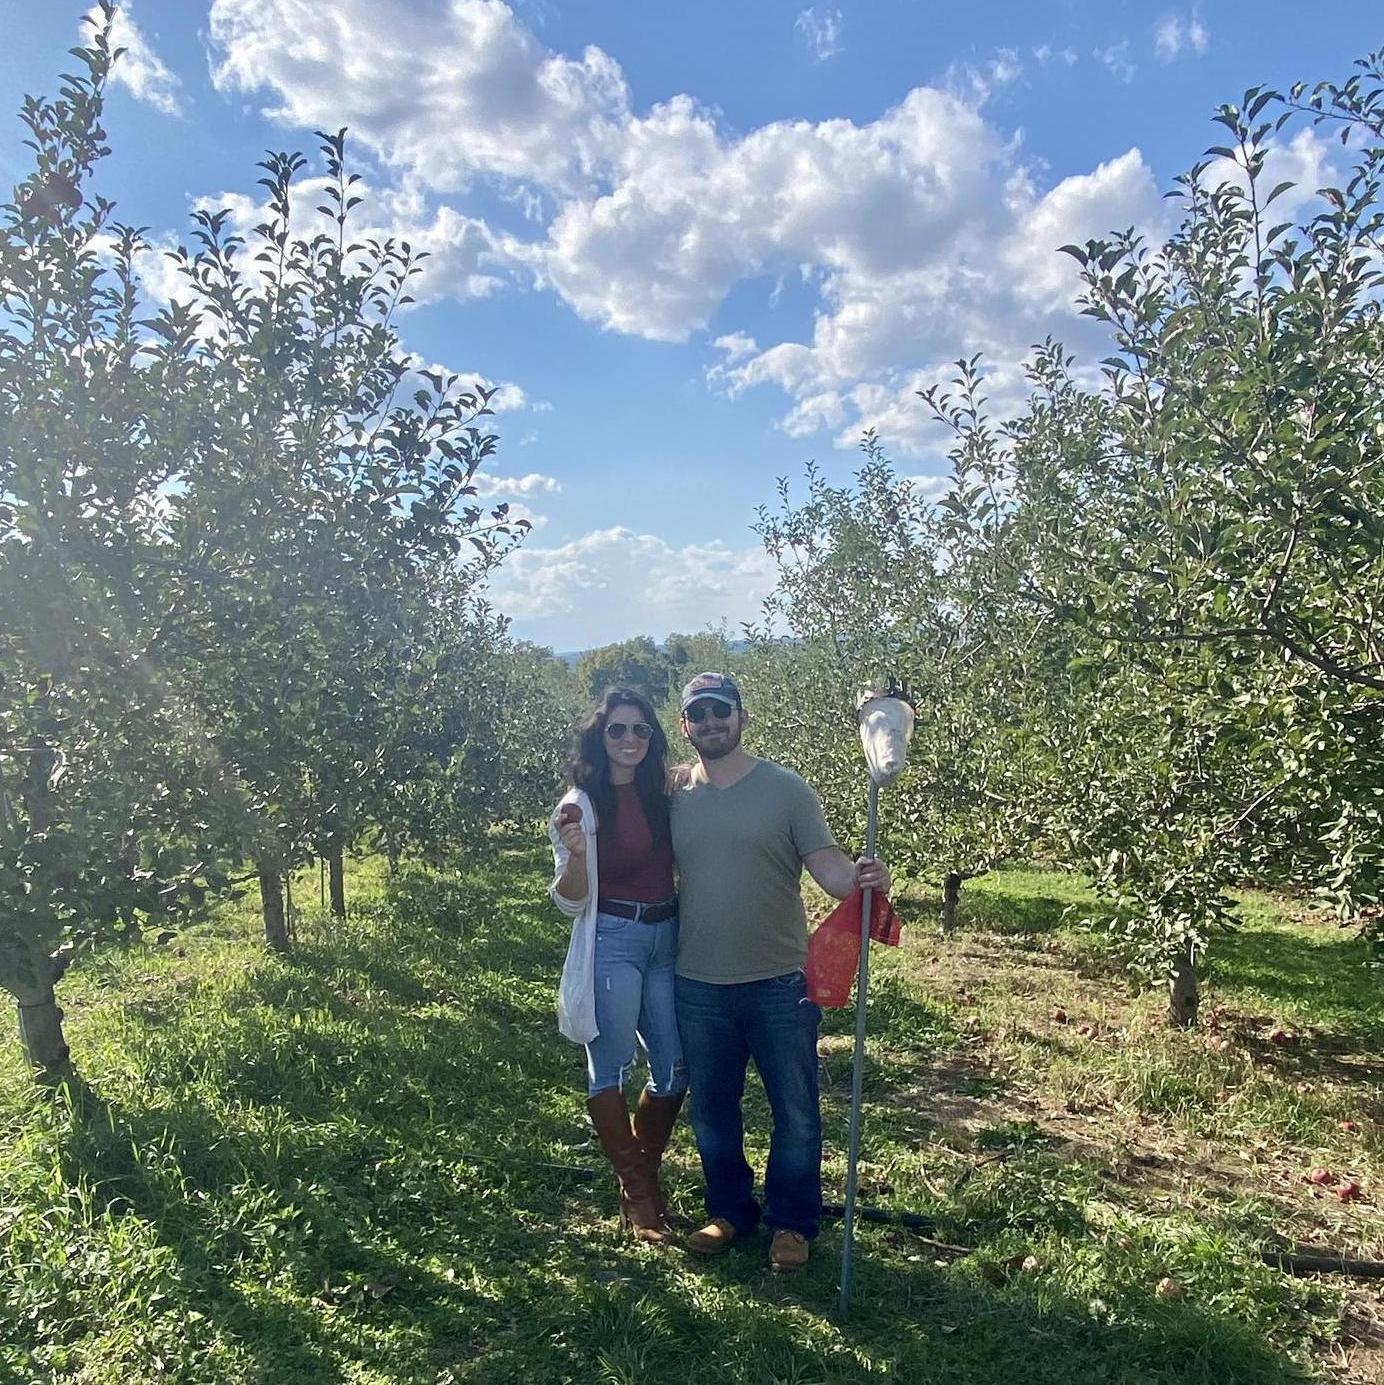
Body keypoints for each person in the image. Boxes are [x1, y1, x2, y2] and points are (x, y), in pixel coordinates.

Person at [670, 671, 890, 1272]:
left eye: (722, 711)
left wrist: (864, 878)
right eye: (700, 715)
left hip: (778, 982)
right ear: (685, 726)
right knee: (713, 1109)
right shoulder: (675, 794)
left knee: (795, 1109)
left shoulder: (787, 790)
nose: (711, 723)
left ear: (742, 717)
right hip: (698, 983)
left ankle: (792, 1222)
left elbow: (829, 870)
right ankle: (729, 1212)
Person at [548, 686, 687, 1244]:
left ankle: (643, 1177)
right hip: (614, 936)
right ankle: (637, 1191)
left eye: (640, 730)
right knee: (611, 1066)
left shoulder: (663, 791)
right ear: (599, 737)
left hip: (666, 935)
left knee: (675, 1068)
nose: (629, 739)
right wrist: (578, 857)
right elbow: (570, 899)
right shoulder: (580, 805)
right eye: (617, 730)